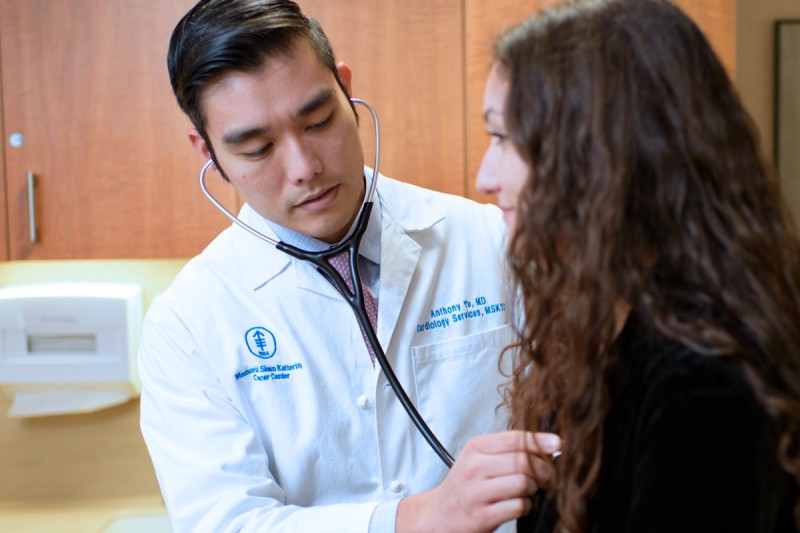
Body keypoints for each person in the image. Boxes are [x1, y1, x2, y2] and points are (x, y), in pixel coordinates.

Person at [138, 1, 561, 532]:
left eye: (318, 121)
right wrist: (412, 519)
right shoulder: (188, 324)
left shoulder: (493, 242)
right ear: (209, 153)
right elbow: (227, 523)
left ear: (345, 89)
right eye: (258, 148)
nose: (304, 168)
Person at [475, 0, 800, 531]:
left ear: (595, 157)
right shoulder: (605, 330)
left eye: (503, 139)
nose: (484, 178)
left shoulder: (702, 388)